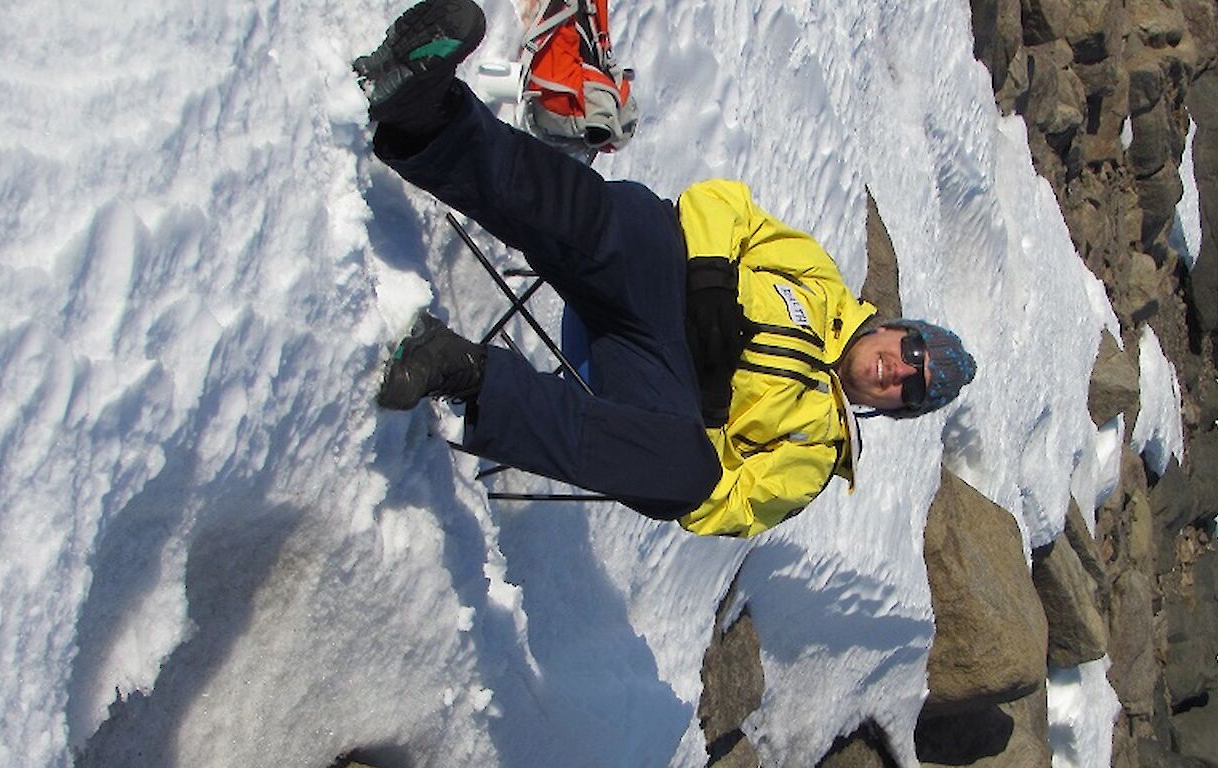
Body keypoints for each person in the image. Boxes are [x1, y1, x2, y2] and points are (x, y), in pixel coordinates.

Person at [359, 0, 976, 537]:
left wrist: (708, 411)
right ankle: (424, 120)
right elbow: (724, 205)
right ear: (897, 326)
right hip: (658, 273)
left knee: (681, 474)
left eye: (909, 389)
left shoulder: (813, 455)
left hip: (654, 383)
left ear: (892, 410)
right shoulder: (820, 284)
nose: (897, 370)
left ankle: (460, 371)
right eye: (911, 349)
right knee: (612, 222)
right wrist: (709, 279)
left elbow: (717, 507)